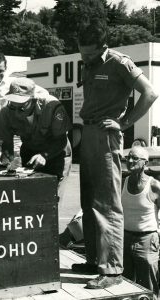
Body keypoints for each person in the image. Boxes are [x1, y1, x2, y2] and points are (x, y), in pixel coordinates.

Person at [71, 19, 158, 289]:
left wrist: (125, 123)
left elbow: (150, 93)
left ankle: (112, 269)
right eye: (81, 52)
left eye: (89, 53)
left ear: (104, 46)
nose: (85, 58)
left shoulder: (120, 63)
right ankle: (94, 258)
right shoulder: (89, 62)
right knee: (88, 201)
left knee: (107, 204)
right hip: (88, 134)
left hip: (107, 135)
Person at [0, 77, 72, 217]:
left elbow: (61, 140)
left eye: (21, 107)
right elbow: (7, 141)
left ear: (33, 99)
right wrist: (8, 164)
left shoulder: (52, 106)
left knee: (51, 203)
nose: (16, 112)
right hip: (30, 153)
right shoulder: (6, 111)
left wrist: (44, 155)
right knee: (29, 200)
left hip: (56, 154)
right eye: (13, 105)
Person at [122, 146, 160, 299]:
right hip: (125, 239)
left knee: (148, 288)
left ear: (145, 162)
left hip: (147, 241)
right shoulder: (122, 182)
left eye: (135, 158)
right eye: (128, 157)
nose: (130, 161)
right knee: (126, 286)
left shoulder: (154, 186)